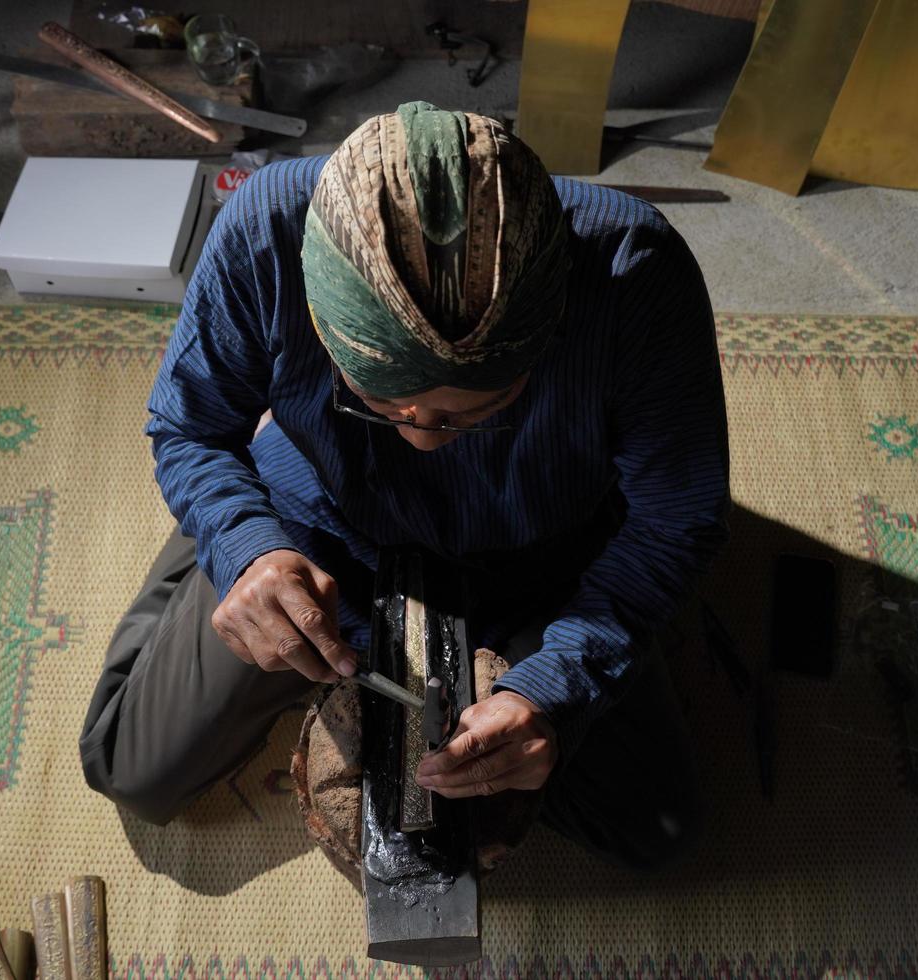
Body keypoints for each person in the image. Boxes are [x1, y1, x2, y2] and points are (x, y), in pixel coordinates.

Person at [79, 101, 730, 871]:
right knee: (131, 769)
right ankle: (236, 552)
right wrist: (248, 548)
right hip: (323, 527)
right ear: (324, 326)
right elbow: (189, 426)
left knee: (658, 834)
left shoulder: (634, 271)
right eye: (380, 406)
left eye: (473, 414)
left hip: (546, 556)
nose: (422, 439)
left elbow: (674, 524)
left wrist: (551, 692)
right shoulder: (268, 229)